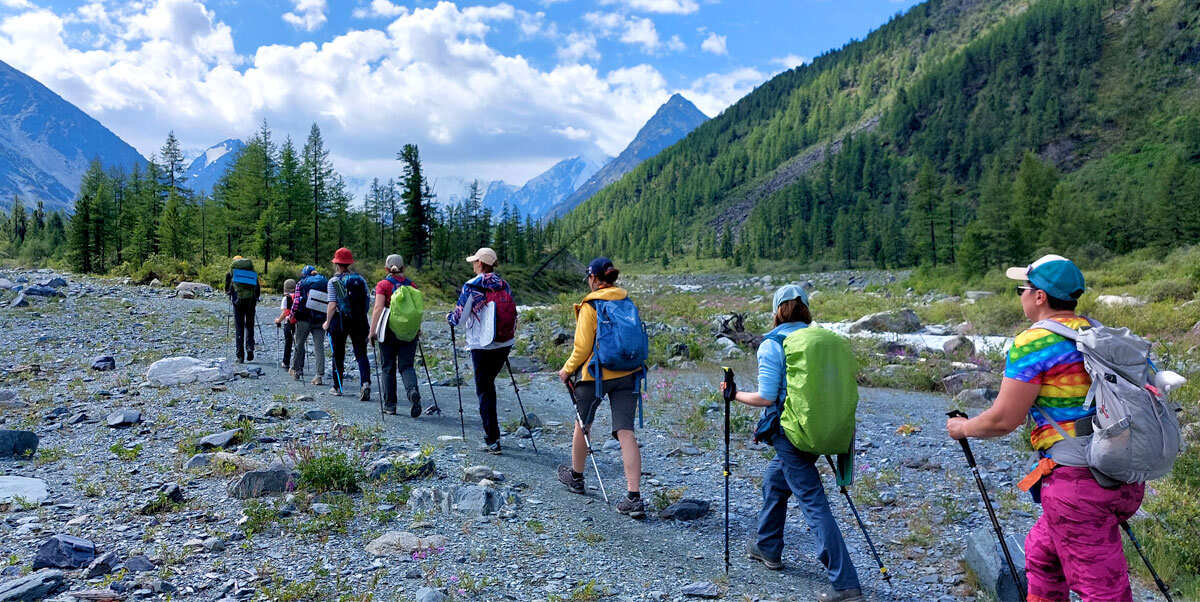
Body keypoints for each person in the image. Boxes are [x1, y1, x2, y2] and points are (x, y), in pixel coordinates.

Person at [946, 254, 1144, 602]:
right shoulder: (1098, 332)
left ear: (1039, 296)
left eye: (1022, 288)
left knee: (1103, 590)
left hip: (1079, 485)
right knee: (1042, 555)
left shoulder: (1033, 342)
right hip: (1125, 473)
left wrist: (963, 428)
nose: (1020, 295)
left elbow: (1003, 420)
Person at [721, 284, 863, 602]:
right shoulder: (821, 341)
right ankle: (768, 547)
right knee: (775, 479)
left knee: (812, 501)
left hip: (791, 432)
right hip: (823, 428)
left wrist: (734, 394)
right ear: (806, 310)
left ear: (777, 311)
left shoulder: (773, 344)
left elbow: (766, 397)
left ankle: (845, 583)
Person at [555, 257, 647, 518]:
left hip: (596, 373)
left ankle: (577, 477)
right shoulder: (626, 301)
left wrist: (567, 370)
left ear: (594, 278)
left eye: (588, 277)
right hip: (629, 371)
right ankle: (634, 496)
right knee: (626, 431)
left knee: (582, 423)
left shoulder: (591, 305)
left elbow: (582, 348)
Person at [446, 247, 516, 455]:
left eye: (475, 261)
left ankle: (492, 440)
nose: (473, 264)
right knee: (489, 385)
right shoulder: (504, 284)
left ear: (480, 264)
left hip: (482, 344)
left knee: (484, 390)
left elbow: (459, 319)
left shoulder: (472, 286)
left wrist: (449, 318)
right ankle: (493, 433)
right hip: (505, 341)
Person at [369, 254, 423, 417]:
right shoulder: (411, 285)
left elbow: (378, 308)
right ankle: (412, 391)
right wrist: (417, 329)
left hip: (389, 330)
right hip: (409, 332)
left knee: (388, 367)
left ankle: (390, 405)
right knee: (407, 366)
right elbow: (416, 310)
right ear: (403, 268)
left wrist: (372, 331)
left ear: (386, 269)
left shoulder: (383, 285)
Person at [322, 247, 372, 400]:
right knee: (361, 353)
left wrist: (327, 322)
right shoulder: (361, 279)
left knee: (338, 353)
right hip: (360, 320)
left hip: (341, 320)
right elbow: (368, 300)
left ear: (337, 263)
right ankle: (365, 382)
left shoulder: (335, 281)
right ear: (349, 263)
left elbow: (332, 304)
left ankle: (337, 386)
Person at [291, 265, 327, 386]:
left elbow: (296, 302)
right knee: (319, 347)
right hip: (321, 319)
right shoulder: (325, 282)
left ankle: (296, 370)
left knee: (299, 344)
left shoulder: (301, 283)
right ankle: (319, 375)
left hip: (304, 318)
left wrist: (291, 316)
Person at [224, 255, 261, 363]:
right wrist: (256, 298)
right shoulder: (252, 272)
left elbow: (227, 289)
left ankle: (240, 356)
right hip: (251, 302)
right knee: (249, 325)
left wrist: (230, 293)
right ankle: (250, 348)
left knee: (239, 327)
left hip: (237, 302)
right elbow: (257, 288)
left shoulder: (231, 273)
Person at [274, 278, 297, 370]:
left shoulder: (286, 298)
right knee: (298, 343)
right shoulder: (298, 296)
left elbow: (284, 313)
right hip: (298, 323)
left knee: (288, 342)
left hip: (288, 323)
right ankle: (298, 363)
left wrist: (278, 320)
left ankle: (286, 362)